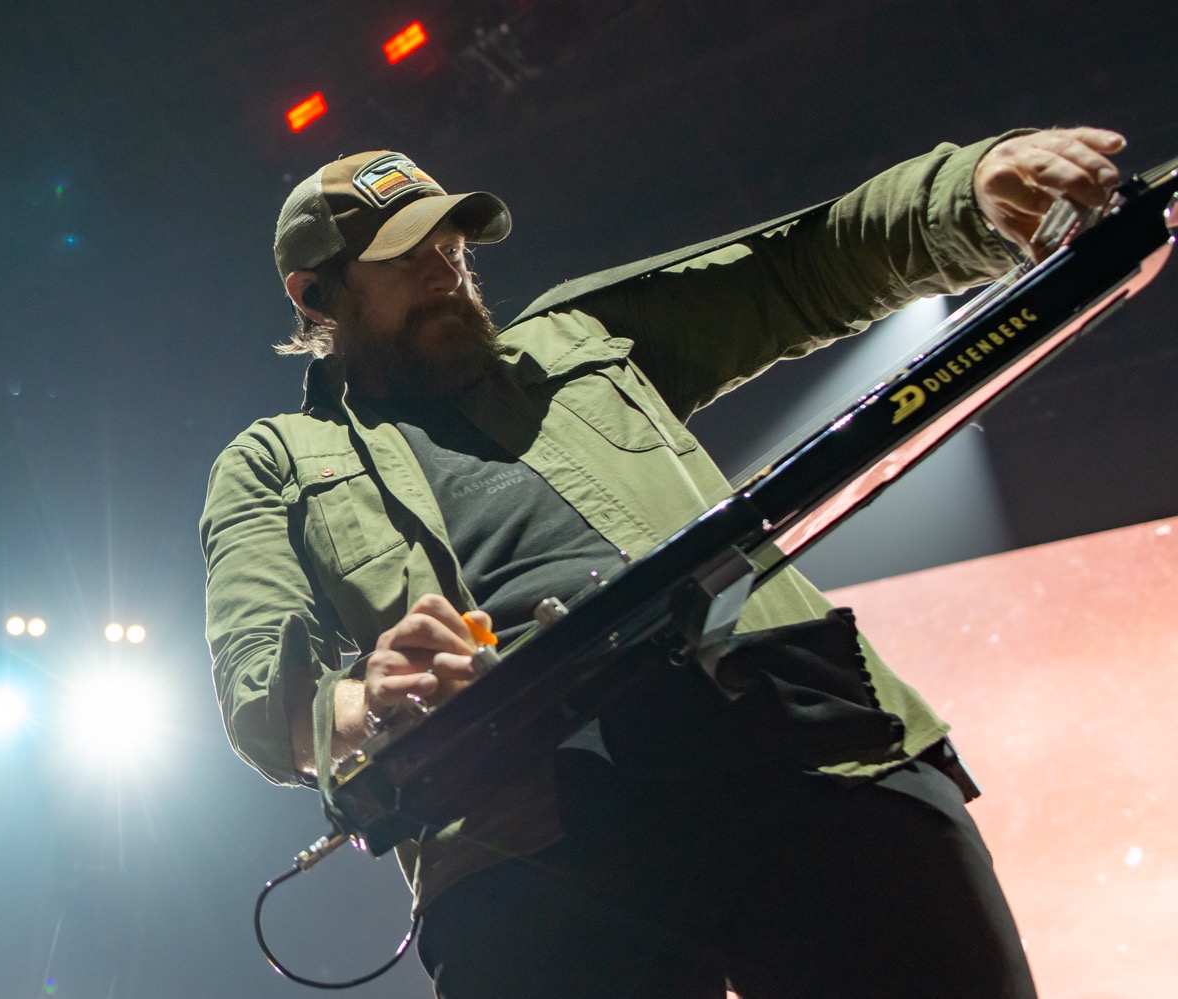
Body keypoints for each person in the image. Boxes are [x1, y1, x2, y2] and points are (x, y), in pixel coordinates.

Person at [201, 128, 1125, 998]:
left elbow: (801, 265)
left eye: (451, 245)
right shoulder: (273, 462)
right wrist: (369, 697)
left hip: (790, 728)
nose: (444, 268)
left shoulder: (579, 338)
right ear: (315, 294)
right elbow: (260, 692)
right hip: (525, 839)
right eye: (405, 257)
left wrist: (968, 190)